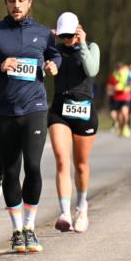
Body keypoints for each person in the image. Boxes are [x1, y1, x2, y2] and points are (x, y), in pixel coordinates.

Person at [0, 0, 61, 254]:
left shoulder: (43, 33)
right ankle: (17, 231)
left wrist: (53, 64)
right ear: (6, 2)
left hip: (34, 109)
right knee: (10, 171)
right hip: (5, 113)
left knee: (33, 166)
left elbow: (56, 56)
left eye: (21, 0)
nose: (16, 5)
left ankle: (31, 228)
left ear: (29, 2)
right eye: (11, 0)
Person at [47, 13, 100, 234]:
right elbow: (45, 66)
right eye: (63, 36)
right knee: (61, 160)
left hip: (84, 110)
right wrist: (47, 41)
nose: (67, 39)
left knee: (81, 164)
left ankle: (82, 206)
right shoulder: (55, 50)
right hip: (60, 109)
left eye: (70, 35)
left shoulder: (92, 47)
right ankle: (65, 213)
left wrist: (83, 43)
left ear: (78, 31)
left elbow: (92, 70)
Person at [107, 62, 131, 138]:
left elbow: (130, 84)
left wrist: (124, 87)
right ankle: (120, 127)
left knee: (124, 113)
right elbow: (109, 86)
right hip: (116, 98)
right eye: (118, 69)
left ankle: (126, 127)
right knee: (116, 115)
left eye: (121, 69)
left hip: (125, 97)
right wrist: (112, 89)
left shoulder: (128, 75)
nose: (120, 70)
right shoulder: (114, 75)